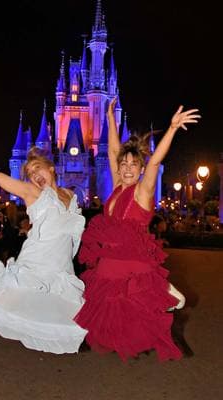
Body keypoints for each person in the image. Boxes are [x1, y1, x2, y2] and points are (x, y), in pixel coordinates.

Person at [74, 98, 201, 362]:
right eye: (124, 164)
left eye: (134, 164)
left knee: (132, 309)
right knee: (108, 308)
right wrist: (110, 118)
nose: (128, 167)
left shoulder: (142, 190)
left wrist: (173, 128)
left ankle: (163, 303)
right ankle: (161, 296)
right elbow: (112, 152)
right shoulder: (118, 187)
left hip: (132, 259)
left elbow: (154, 162)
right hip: (111, 258)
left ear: (140, 169)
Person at [0, 144, 87, 354]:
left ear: (51, 168)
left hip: (59, 272)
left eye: (37, 168)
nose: (34, 175)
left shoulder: (70, 195)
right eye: (30, 173)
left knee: (71, 323)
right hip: (36, 265)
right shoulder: (34, 193)